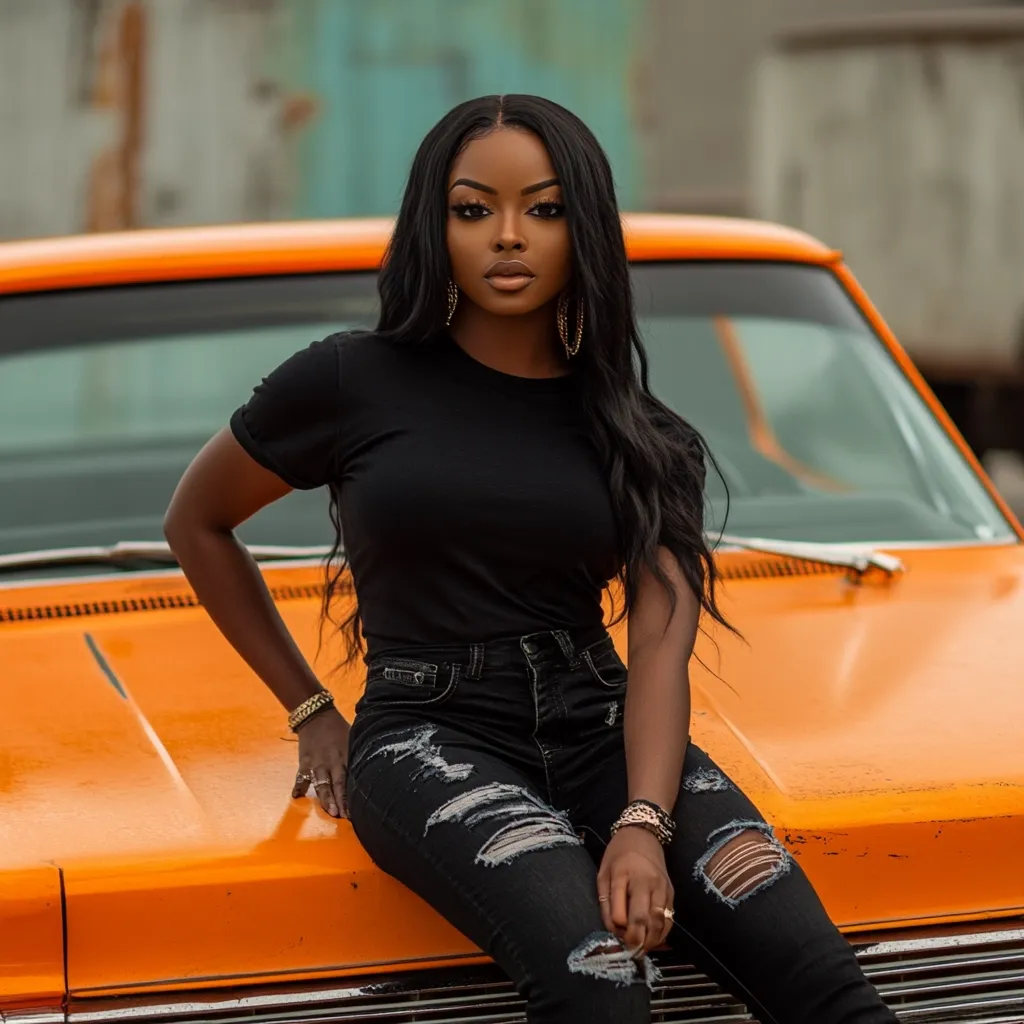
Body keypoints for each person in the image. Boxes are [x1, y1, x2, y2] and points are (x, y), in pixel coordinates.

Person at [164, 94, 898, 1024]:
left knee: (828, 987)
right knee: (600, 985)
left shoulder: (642, 431)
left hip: (600, 725)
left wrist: (642, 823)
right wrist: (310, 709)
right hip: (431, 735)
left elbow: (660, 654)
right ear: (434, 226)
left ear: (582, 225)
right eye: (474, 210)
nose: (508, 237)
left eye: (543, 210)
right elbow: (197, 522)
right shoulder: (351, 379)